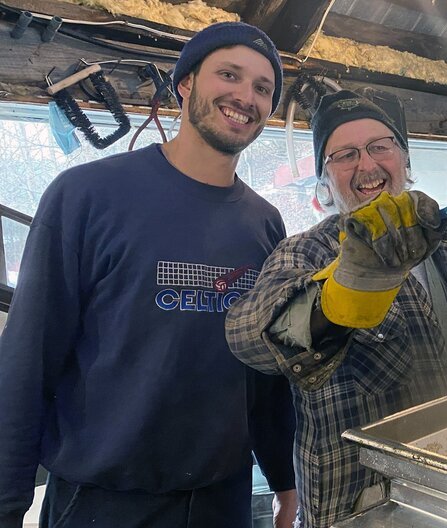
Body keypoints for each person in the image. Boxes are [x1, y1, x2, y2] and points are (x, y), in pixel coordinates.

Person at [0, 22, 297, 528]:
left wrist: (284, 479)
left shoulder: (265, 224)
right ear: (185, 83)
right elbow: (28, 360)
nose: (246, 97)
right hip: (103, 503)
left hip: (223, 502)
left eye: (263, 88)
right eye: (229, 74)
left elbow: (265, 374)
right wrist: (7, 504)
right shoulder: (86, 197)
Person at [226, 90, 447, 528]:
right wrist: (348, 284)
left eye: (380, 147)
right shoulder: (305, 252)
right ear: (325, 181)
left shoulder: (442, 251)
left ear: (404, 160)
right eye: (345, 155)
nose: (367, 166)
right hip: (360, 509)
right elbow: (251, 338)